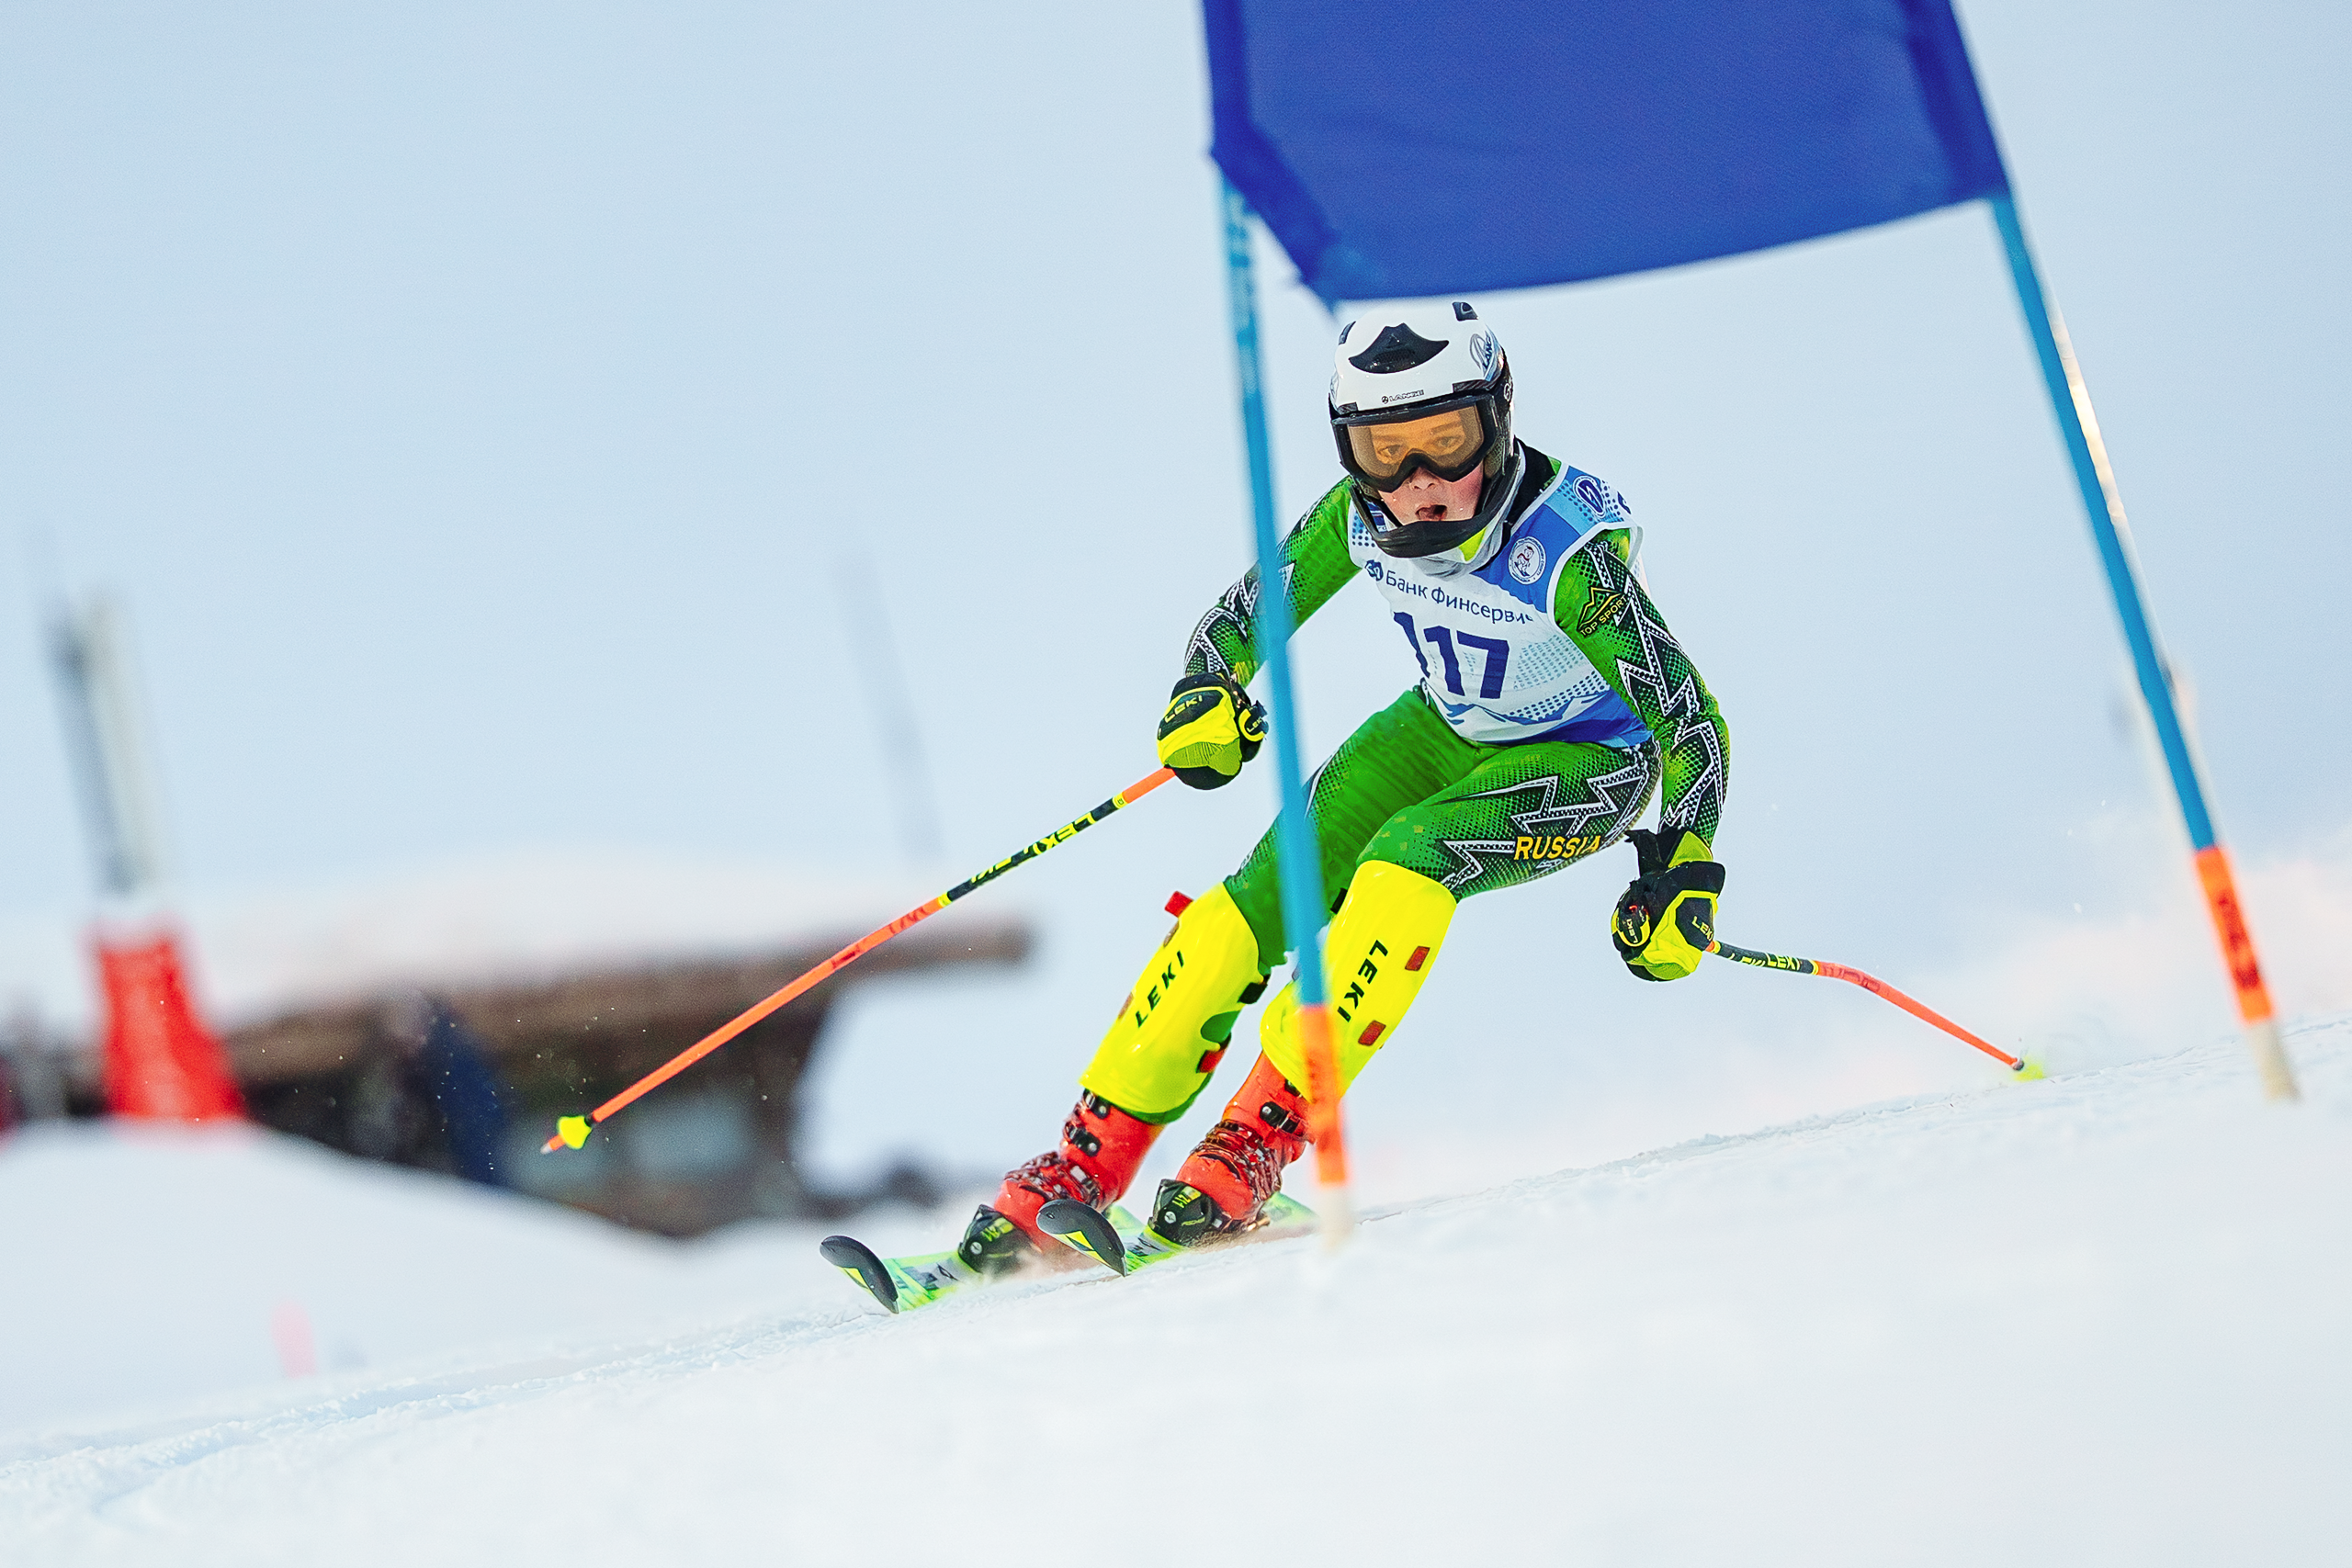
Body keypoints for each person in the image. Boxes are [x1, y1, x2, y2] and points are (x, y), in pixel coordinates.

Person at [956, 301, 1731, 1271]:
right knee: (1241, 910)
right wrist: (1205, 692)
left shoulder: (1568, 555)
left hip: (1588, 757)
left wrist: (1683, 866)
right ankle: (1080, 1169)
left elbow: (1691, 722)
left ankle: (1249, 1147)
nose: (1419, 485)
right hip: (1443, 729)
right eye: (1382, 452)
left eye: (1447, 444)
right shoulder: (1352, 517)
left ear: (1495, 418)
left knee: (1403, 867)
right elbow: (1239, 619)